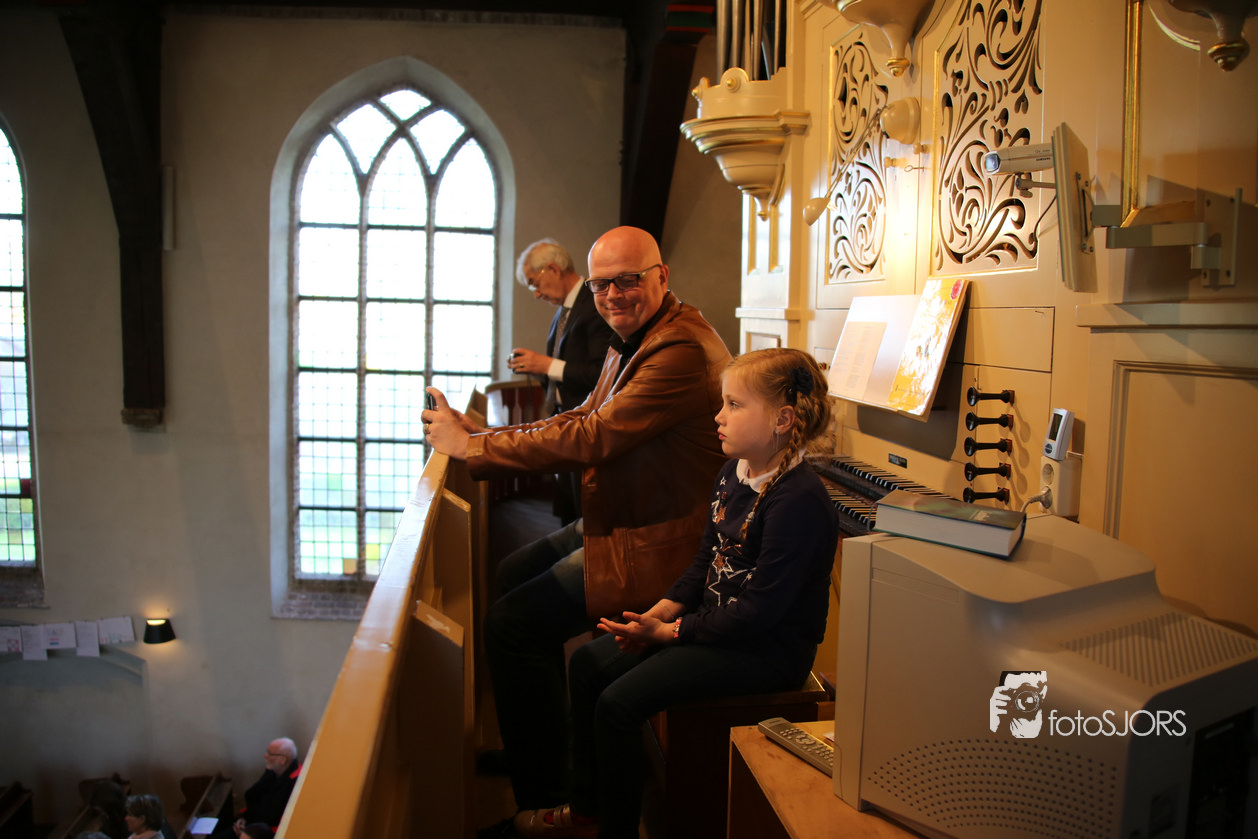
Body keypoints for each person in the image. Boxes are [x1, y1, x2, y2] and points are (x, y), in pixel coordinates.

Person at [423, 226, 731, 832]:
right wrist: (483, 434)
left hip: (663, 538)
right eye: (601, 285)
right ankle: (547, 751)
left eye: (628, 280)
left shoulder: (678, 348)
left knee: (511, 625)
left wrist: (472, 449)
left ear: (661, 277)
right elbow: (584, 413)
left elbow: (592, 436)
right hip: (625, 515)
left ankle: (551, 800)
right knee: (511, 573)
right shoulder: (638, 337)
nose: (613, 295)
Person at [511, 348, 841, 839]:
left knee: (618, 703)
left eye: (733, 405)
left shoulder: (799, 500)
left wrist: (670, 633)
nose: (718, 416)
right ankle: (587, 809)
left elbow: (760, 611)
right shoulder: (733, 472)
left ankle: (616, 831)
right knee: (585, 664)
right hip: (718, 624)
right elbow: (706, 559)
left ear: (782, 420)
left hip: (766, 650)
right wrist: (661, 611)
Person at [507, 238, 616, 524]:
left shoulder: (593, 304)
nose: (535, 294)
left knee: (583, 517)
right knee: (568, 514)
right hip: (564, 421)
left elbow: (601, 374)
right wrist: (538, 369)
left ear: (553, 269)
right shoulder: (565, 310)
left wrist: (547, 365)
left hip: (586, 425)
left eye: (534, 283)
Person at [210, 737, 301, 837]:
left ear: (282, 759)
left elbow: (285, 824)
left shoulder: (296, 783)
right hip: (249, 824)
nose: (265, 756)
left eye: (270, 753)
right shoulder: (272, 772)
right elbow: (255, 798)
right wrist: (243, 817)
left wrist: (248, 832)